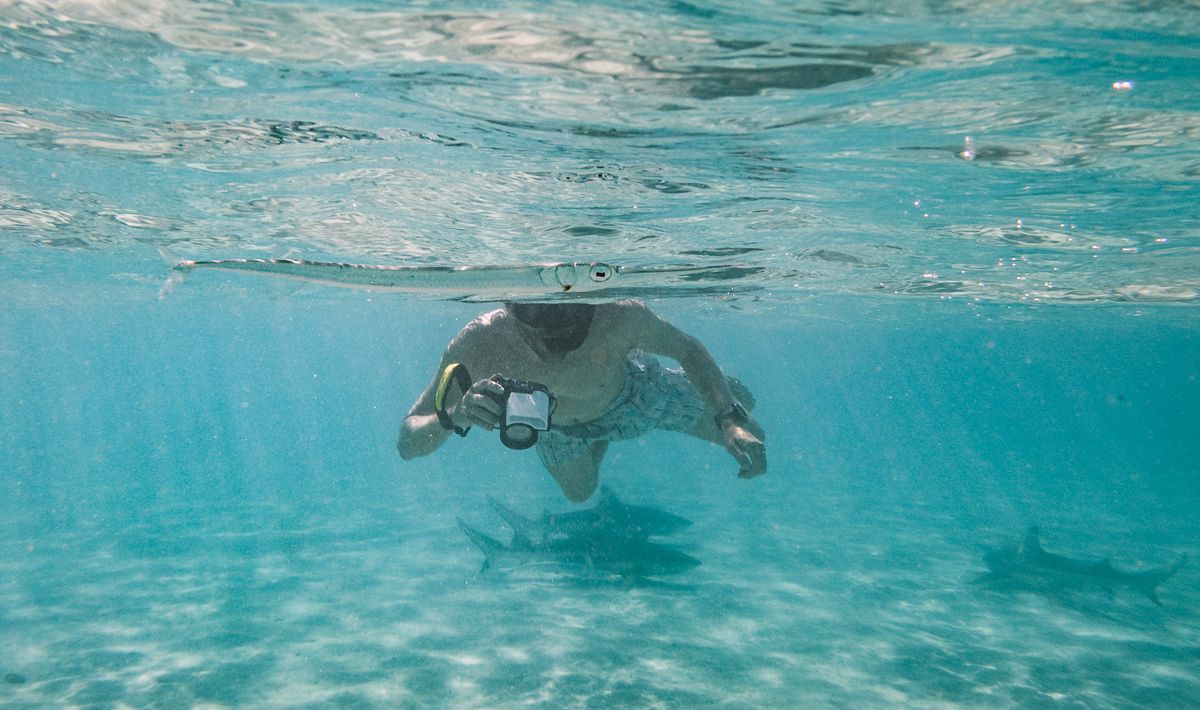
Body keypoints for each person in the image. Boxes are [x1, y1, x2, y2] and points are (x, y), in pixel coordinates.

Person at [397, 300, 766, 502]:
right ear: (512, 308)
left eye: (572, 326)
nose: (557, 340)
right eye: (542, 330)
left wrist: (728, 417)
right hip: (557, 430)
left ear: (591, 303)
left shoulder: (621, 315)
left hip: (635, 397)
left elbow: (687, 348)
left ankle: (696, 389)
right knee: (580, 494)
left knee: (751, 433)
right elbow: (407, 441)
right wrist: (455, 416)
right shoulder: (478, 342)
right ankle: (601, 438)